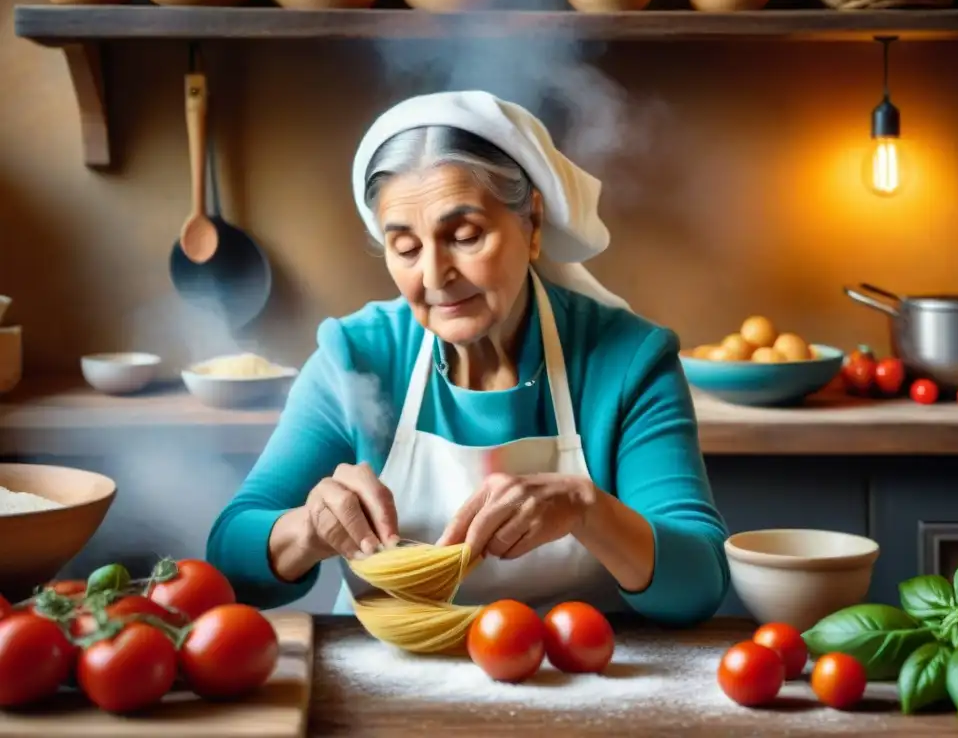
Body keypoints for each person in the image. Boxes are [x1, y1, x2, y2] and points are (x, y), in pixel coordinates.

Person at [206, 90, 730, 624]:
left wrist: (584, 508)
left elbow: (698, 584)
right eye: (406, 248)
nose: (435, 276)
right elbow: (230, 558)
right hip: (384, 673)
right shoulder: (357, 356)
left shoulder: (627, 361)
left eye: (464, 236)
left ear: (532, 225)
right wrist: (308, 529)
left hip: (574, 671)